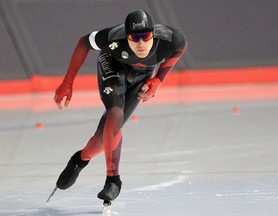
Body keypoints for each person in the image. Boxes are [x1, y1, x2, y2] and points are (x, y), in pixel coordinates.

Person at [53, 9, 187, 203]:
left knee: (101, 140)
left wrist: (159, 79)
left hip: (143, 75)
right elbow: (84, 42)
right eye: (135, 37)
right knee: (115, 113)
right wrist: (68, 82)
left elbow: (181, 48)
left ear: (153, 34)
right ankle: (113, 180)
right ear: (126, 36)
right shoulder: (112, 38)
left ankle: (79, 160)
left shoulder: (171, 38)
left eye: (146, 36)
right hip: (114, 66)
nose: (140, 43)